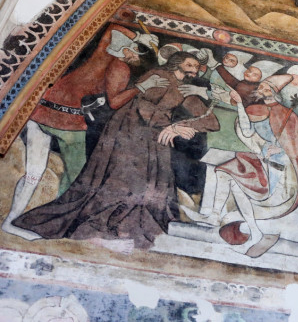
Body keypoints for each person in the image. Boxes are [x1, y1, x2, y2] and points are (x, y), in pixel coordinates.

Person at [13, 52, 220, 252]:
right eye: (189, 64)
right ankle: (98, 231)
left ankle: (127, 228)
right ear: (176, 63)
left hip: (157, 139)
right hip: (129, 131)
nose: (194, 69)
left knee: (153, 187)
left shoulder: (186, 89)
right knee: (122, 180)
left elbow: (212, 122)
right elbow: (138, 105)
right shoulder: (158, 75)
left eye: (196, 66)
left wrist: (181, 124)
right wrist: (168, 125)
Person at [2, 25, 160, 241]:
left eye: (137, 55)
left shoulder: (109, 60)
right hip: (64, 122)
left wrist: (139, 38)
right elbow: (115, 101)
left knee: (36, 174)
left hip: (43, 113)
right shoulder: (113, 60)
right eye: (136, 50)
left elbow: (107, 97)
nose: (133, 56)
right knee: (75, 180)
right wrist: (142, 81)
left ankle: (20, 222)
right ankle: (49, 225)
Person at [185, 75, 298, 258]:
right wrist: (239, 105)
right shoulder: (257, 110)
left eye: (267, 88)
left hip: (280, 168)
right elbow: (247, 131)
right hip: (261, 160)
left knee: (236, 185)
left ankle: (253, 231)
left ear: (275, 93)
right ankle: (215, 216)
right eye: (261, 88)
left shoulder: (286, 114)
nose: (263, 91)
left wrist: (281, 149)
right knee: (224, 173)